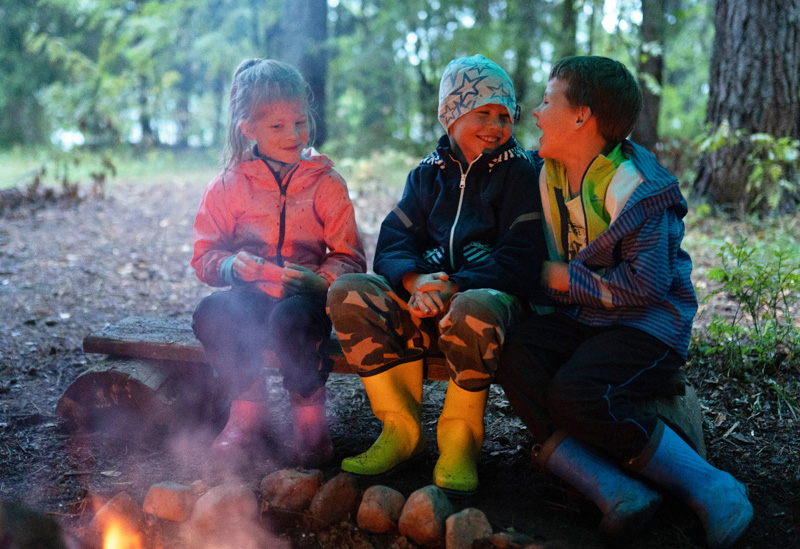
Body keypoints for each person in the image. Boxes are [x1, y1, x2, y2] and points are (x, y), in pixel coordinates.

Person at [495, 55, 752, 548]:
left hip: (649, 326)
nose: (535, 112)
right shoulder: (545, 171)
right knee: (514, 350)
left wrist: (561, 278)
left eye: (548, 100)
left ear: (581, 117)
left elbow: (646, 285)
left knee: (577, 391)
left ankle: (709, 485)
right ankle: (609, 487)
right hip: (587, 319)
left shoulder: (638, 189)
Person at [326, 54, 548, 495]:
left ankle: (460, 437)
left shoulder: (521, 172)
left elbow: (521, 257)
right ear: (451, 115)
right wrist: (415, 283)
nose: (495, 124)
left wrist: (455, 286)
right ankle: (400, 428)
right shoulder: (427, 175)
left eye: (504, 115)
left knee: (475, 305)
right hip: (420, 305)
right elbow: (392, 243)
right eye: (481, 112)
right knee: (348, 290)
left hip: (478, 311)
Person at [191, 59, 366, 467]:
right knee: (213, 312)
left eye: (300, 123)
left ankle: (310, 424)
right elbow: (205, 255)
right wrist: (233, 266)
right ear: (248, 128)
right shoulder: (228, 186)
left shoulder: (325, 182)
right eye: (278, 126)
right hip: (250, 295)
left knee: (292, 322)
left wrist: (319, 279)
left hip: (305, 300)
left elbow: (351, 256)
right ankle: (247, 415)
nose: (294, 135)